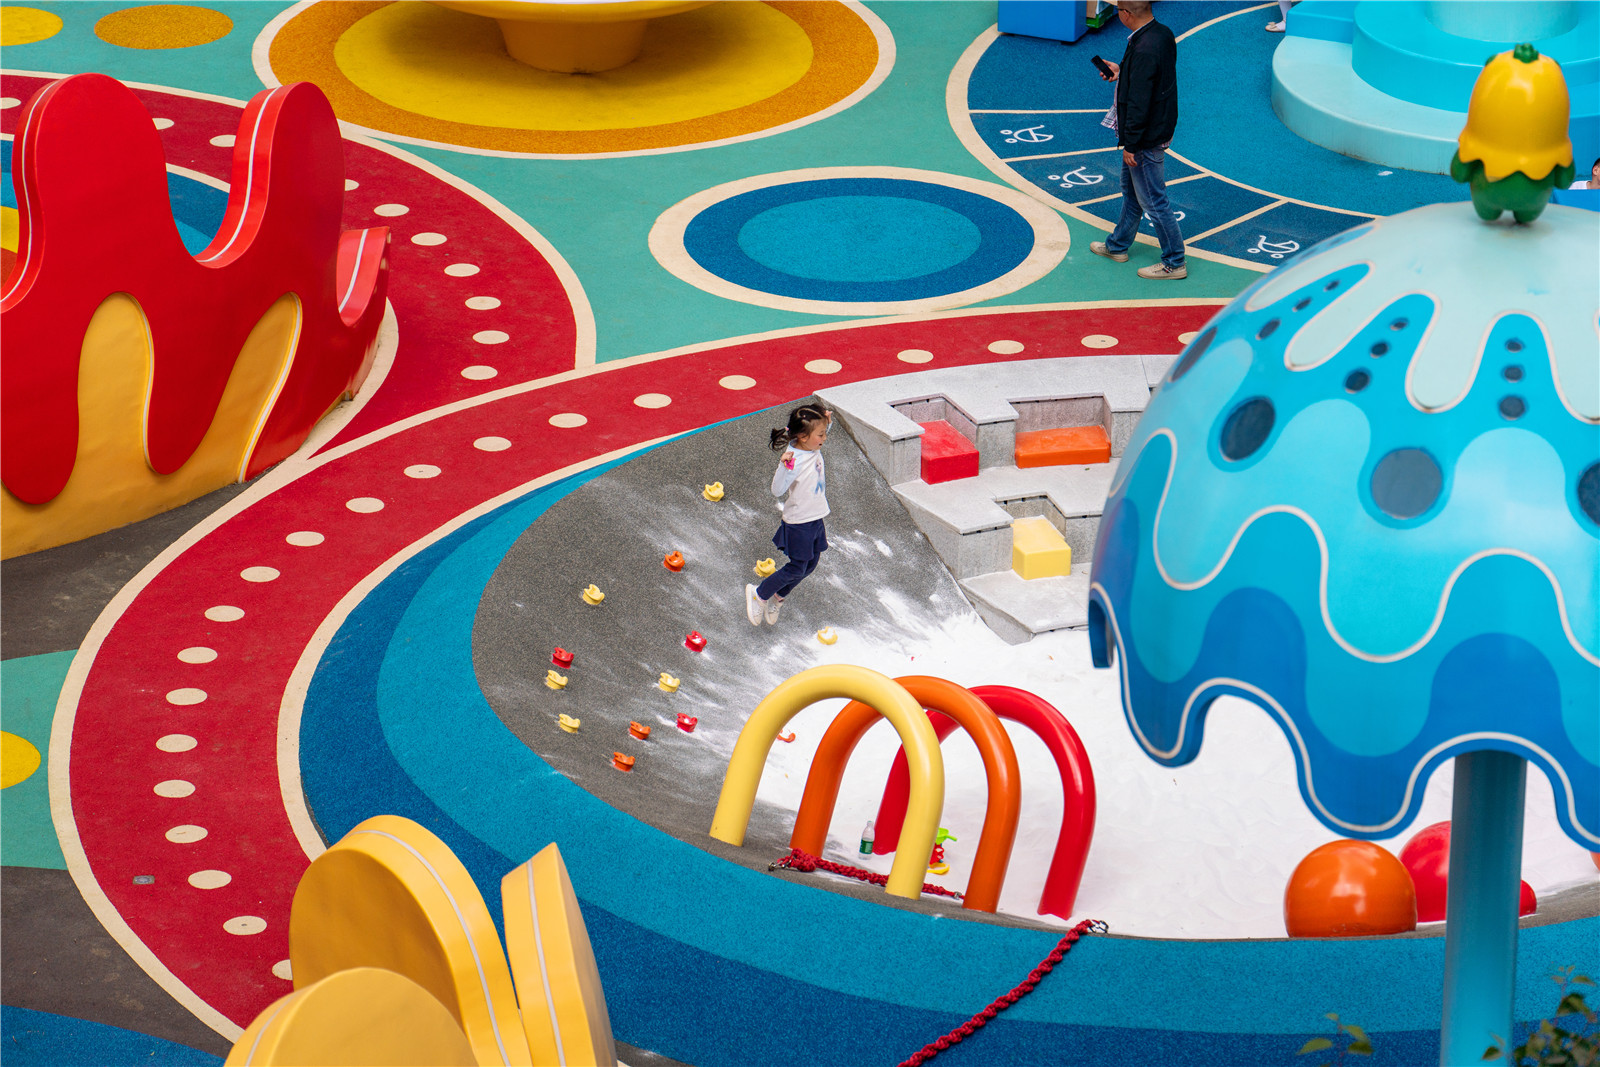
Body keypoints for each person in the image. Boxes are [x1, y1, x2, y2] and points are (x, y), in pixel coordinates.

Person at [1089, 0, 1187, 279]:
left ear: (1126, 14)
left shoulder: (1143, 48)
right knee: (1132, 192)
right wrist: (1122, 72)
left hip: (1144, 138)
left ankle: (1174, 262)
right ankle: (1117, 245)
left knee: (1154, 201)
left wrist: (1131, 145)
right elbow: (1151, 79)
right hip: (1155, 128)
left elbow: (1139, 102)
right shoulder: (1161, 34)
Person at [746, 403, 832, 626]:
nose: (824, 438)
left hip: (815, 518)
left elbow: (817, 434)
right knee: (797, 567)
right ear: (803, 436)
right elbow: (777, 490)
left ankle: (778, 595)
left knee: (811, 564)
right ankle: (760, 594)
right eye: (821, 434)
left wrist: (826, 422)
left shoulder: (812, 446)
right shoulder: (794, 459)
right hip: (799, 522)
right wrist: (783, 467)